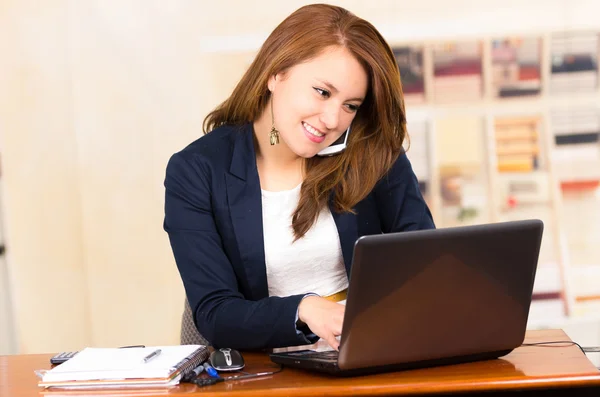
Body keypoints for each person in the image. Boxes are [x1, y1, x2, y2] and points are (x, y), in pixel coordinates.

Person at [163, 3, 435, 351]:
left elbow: (424, 262)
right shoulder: (197, 170)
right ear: (276, 73)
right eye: (322, 92)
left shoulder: (372, 151)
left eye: (350, 105)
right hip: (264, 367)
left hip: (367, 352)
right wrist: (303, 309)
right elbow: (216, 312)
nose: (332, 119)